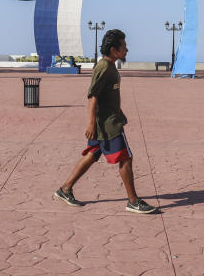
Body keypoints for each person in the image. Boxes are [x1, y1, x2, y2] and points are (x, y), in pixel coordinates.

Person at [54, 29, 158, 214]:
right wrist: (91, 124)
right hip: (107, 125)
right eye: (123, 47)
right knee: (126, 158)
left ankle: (65, 189)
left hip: (107, 120)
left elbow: (106, 96)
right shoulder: (104, 67)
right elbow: (92, 96)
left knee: (92, 155)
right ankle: (133, 201)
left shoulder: (110, 66)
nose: (127, 50)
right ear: (113, 50)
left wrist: (118, 111)